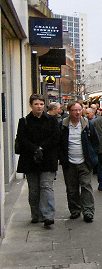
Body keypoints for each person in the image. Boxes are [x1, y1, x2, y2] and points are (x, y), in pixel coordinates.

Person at [15, 94, 60, 228]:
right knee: (34, 189)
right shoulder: (24, 121)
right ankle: (36, 214)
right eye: (36, 104)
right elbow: (21, 139)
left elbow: (55, 137)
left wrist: (42, 148)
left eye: (41, 104)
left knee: (46, 187)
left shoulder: (52, 120)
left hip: (48, 159)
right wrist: (35, 149)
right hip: (30, 159)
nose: (39, 106)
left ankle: (48, 215)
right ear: (31, 105)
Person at [59, 101, 100, 222]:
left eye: (79, 110)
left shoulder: (87, 124)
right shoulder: (63, 125)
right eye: (74, 110)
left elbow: (95, 141)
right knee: (72, 189)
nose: (77, 112)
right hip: (69, 162)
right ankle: (75, 210)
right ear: (69, 111)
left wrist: (92, 156)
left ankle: (88, 211)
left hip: (84, 162)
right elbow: (59, 144)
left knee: (86, 186)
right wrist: (62, 159)